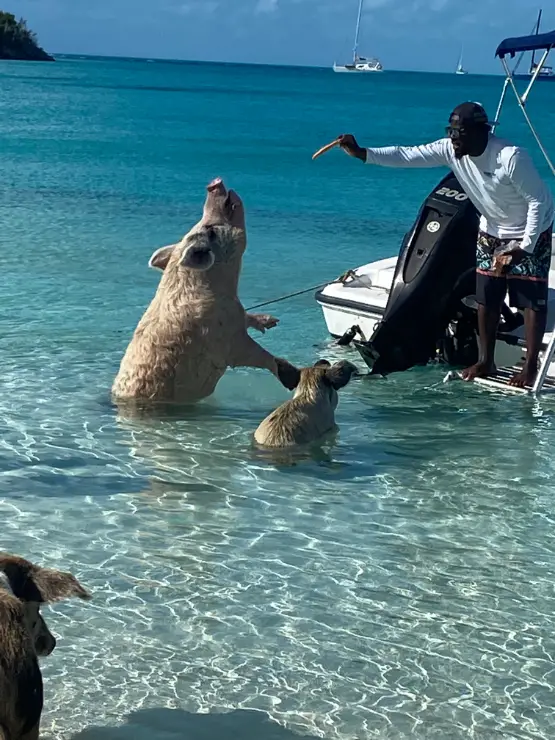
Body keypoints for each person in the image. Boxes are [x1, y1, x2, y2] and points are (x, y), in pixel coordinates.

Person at [338, 101, 554, 388]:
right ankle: (485, 360)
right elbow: (407, 155)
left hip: (531, 229)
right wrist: (362, 153)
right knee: (487, 295)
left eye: (460, 131)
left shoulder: (510, 157)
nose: (453, 137)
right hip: (491, 229)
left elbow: (538, 201)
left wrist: (524, 246)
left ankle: (530, 367)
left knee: (529, 300)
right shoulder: (451, 150)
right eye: (450, 131)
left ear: (481, 132)